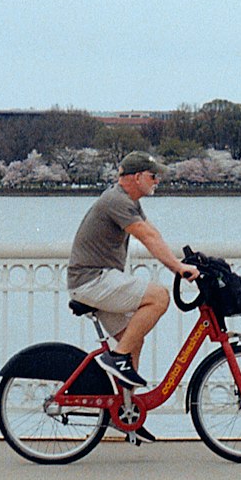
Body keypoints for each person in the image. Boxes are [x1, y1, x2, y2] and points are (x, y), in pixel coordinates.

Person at [66, 151, 199, 389]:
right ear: (137, 177)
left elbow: (153, 233)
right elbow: (146, 237)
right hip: (92, 280)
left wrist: (184, 262)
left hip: (97, 280)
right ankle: (116, 357)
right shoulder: (117, 201)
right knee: (159, 297)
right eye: (153, 176)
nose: (157, 181)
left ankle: (124, 418)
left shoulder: (128, 200)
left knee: (133, 340)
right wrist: (178, 268)